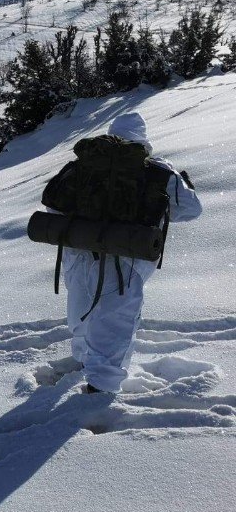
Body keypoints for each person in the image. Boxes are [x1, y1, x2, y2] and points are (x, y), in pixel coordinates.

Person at [62, 112, 201, 393]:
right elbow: (191, 209)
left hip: (80, 248)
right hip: (126, 254)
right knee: (116, 317)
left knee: (81, 307)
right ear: (144, 141)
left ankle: (82, 359)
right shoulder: (158, 170)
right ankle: (101, 386)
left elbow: (56, 204)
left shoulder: (86, 164)